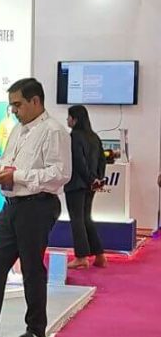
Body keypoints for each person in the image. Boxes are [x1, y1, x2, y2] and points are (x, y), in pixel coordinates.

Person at [0, 78, 70, 337]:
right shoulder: (18, 130)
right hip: (13, 205)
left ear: (36, 101)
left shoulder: (54, 131)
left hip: (38, 205)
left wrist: (16, 176)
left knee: (31, 266)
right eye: (11, 106)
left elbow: (59, 174)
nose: (14, 111)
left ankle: (36, 330)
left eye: (18, 105)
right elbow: (9, 165)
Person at [65, 104, 108, 271]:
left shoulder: (74, 137)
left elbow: (78, 162)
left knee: (77, 219)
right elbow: (102, 160)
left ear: (75, 119)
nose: (67, 120)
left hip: (77, 184)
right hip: (91, 185)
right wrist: (97, 179)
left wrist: (90, 179)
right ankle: (100, 255)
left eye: (69, 117)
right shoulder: (94, 136)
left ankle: (81, 257)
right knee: (86, 218)